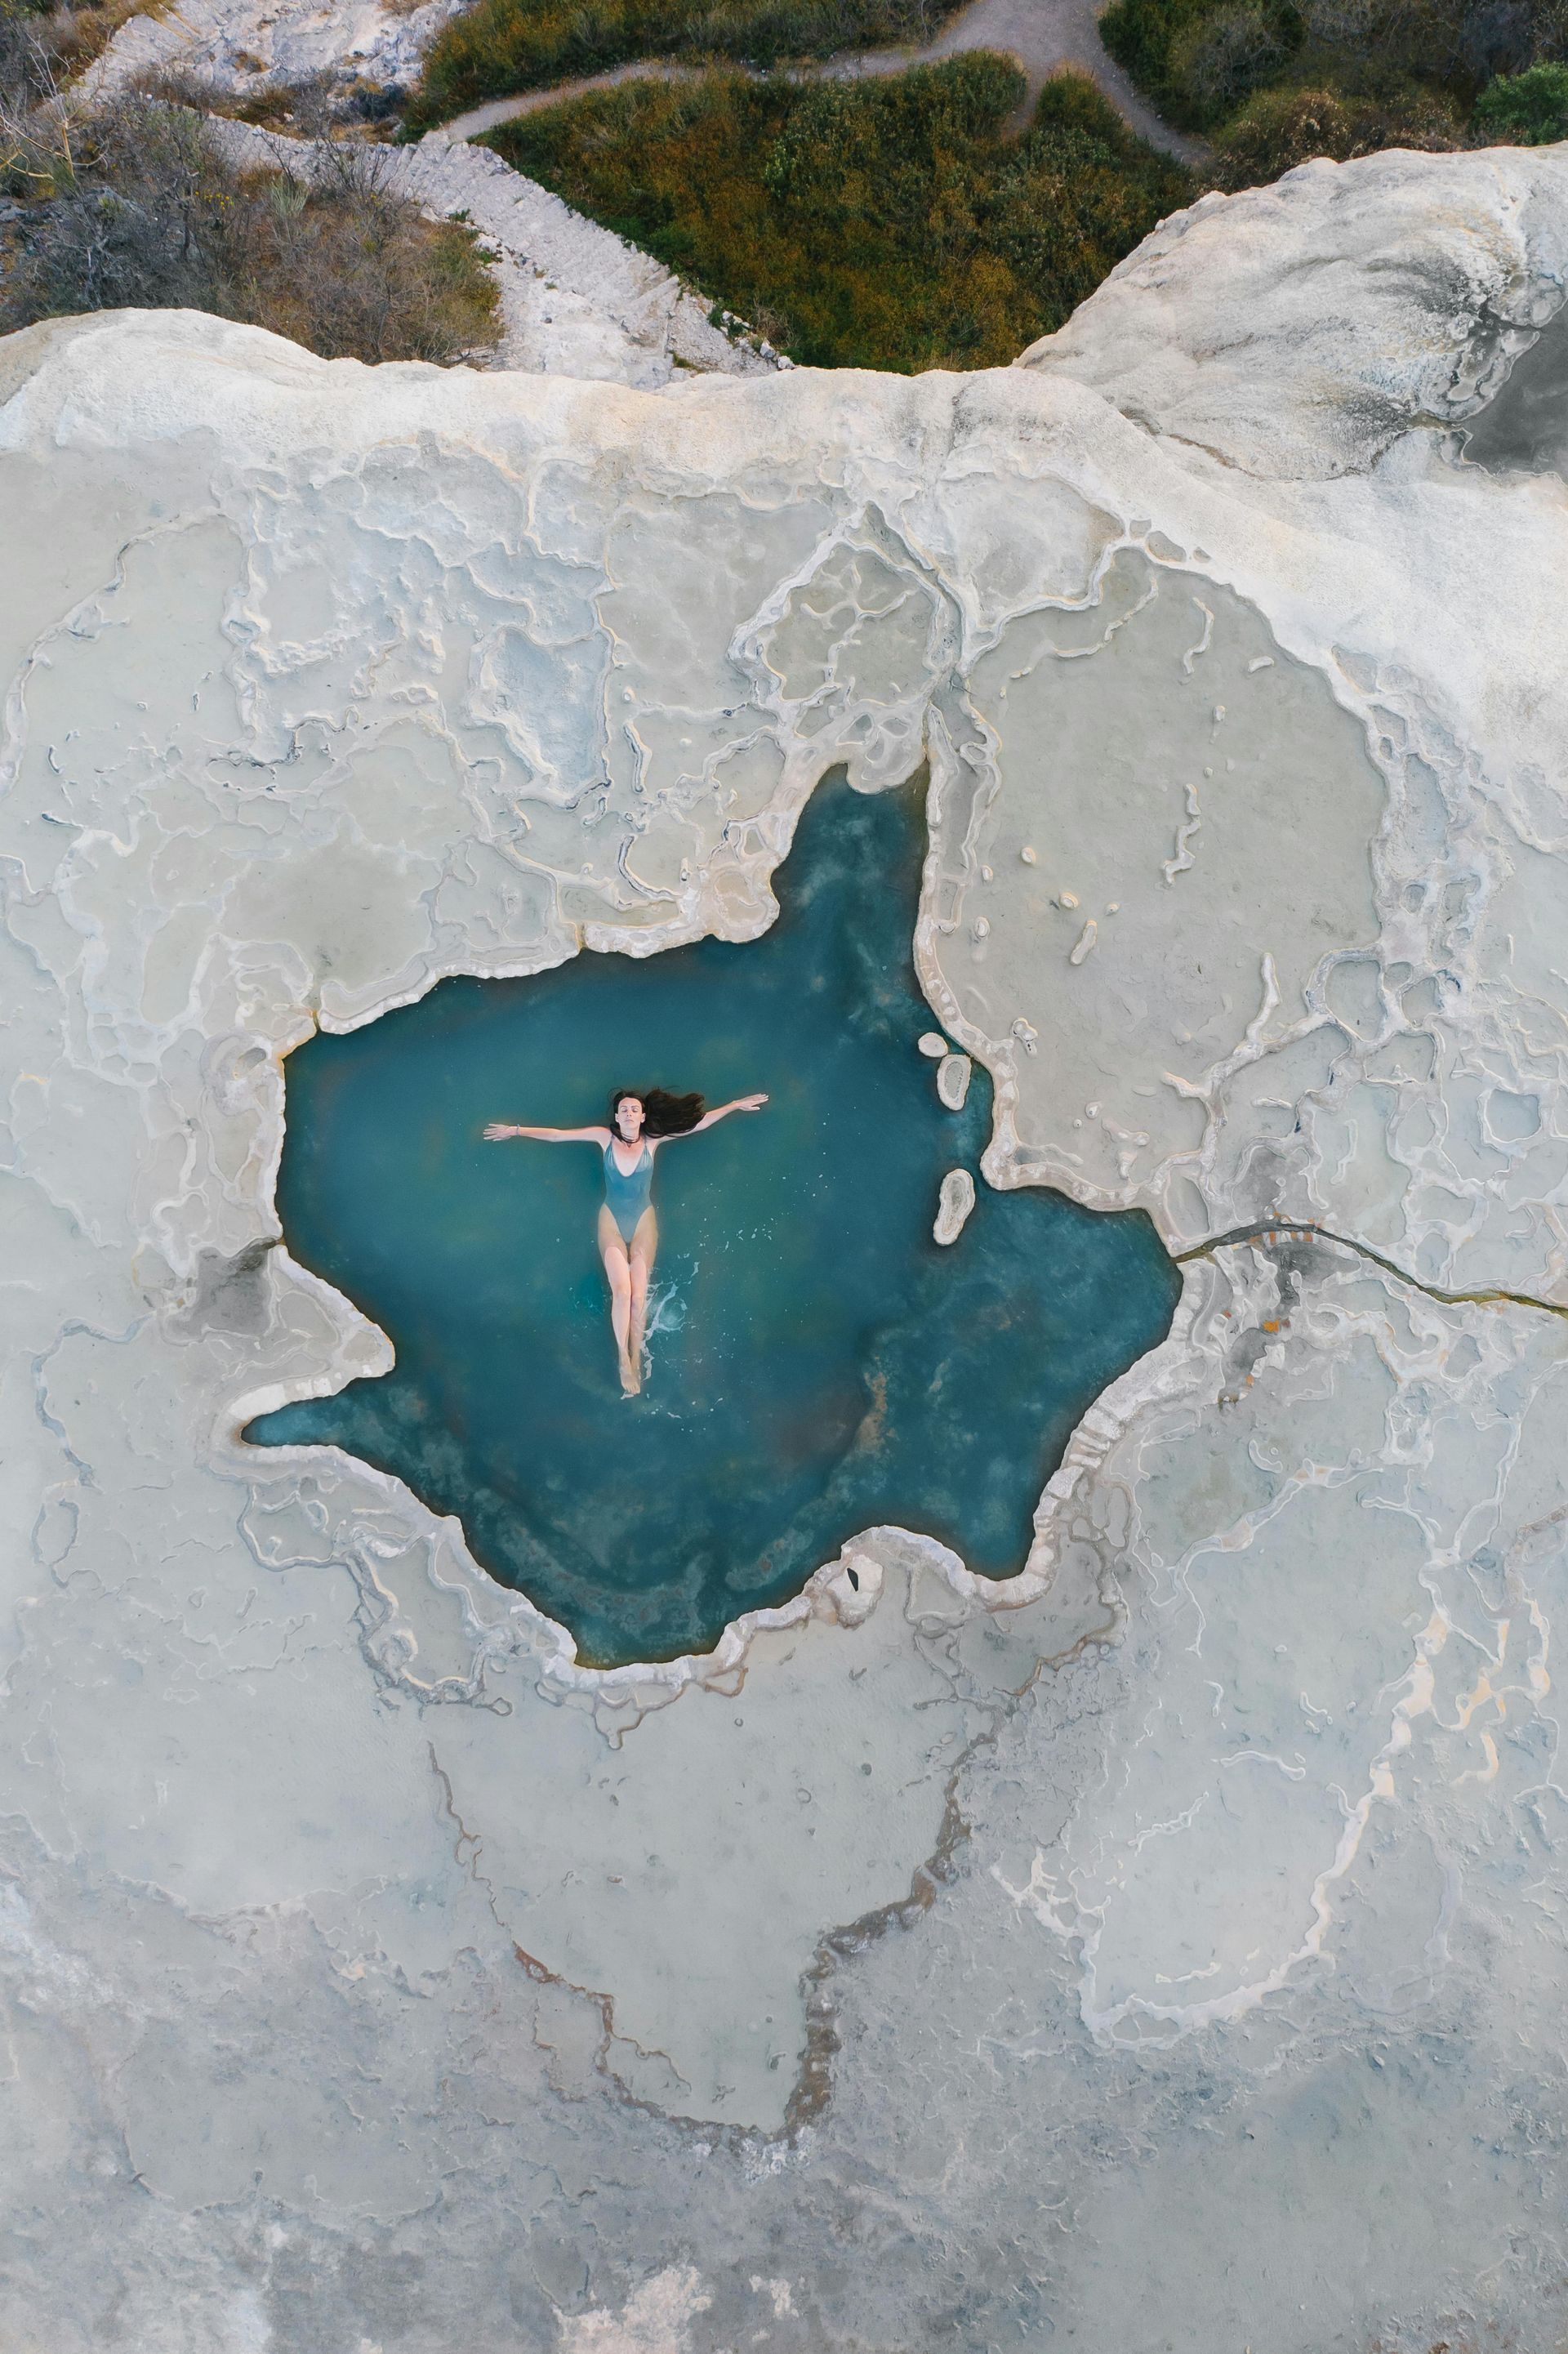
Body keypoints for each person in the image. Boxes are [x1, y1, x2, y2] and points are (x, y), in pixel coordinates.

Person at [483, 1087, 768, 1394]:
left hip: (644, 1220)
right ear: (617, 1117)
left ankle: (637, 1351)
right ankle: (624, 1358)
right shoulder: (604, 1138)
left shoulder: (653, 1140)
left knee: (639, 1295)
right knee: (622, 1291)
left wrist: (735, 1104)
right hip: (612, 1221)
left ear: (643, 1116)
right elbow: (557, 1135)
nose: (630, 1113)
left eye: (635, 1109)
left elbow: (697, 1124)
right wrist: (515, 1130)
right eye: (624, 1110)